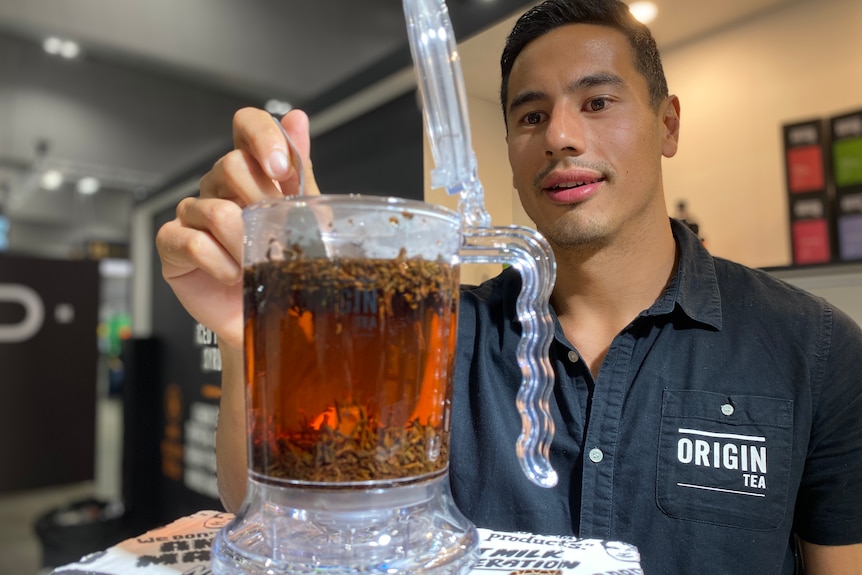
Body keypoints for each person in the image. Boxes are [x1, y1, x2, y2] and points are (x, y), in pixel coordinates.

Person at [155, 0, 862, 572]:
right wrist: (259, 326)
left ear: (667, 123)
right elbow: (273, 506)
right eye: (530, 116)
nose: (559, 135)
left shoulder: (815, 349)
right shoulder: (436, 335)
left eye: (596, 103)